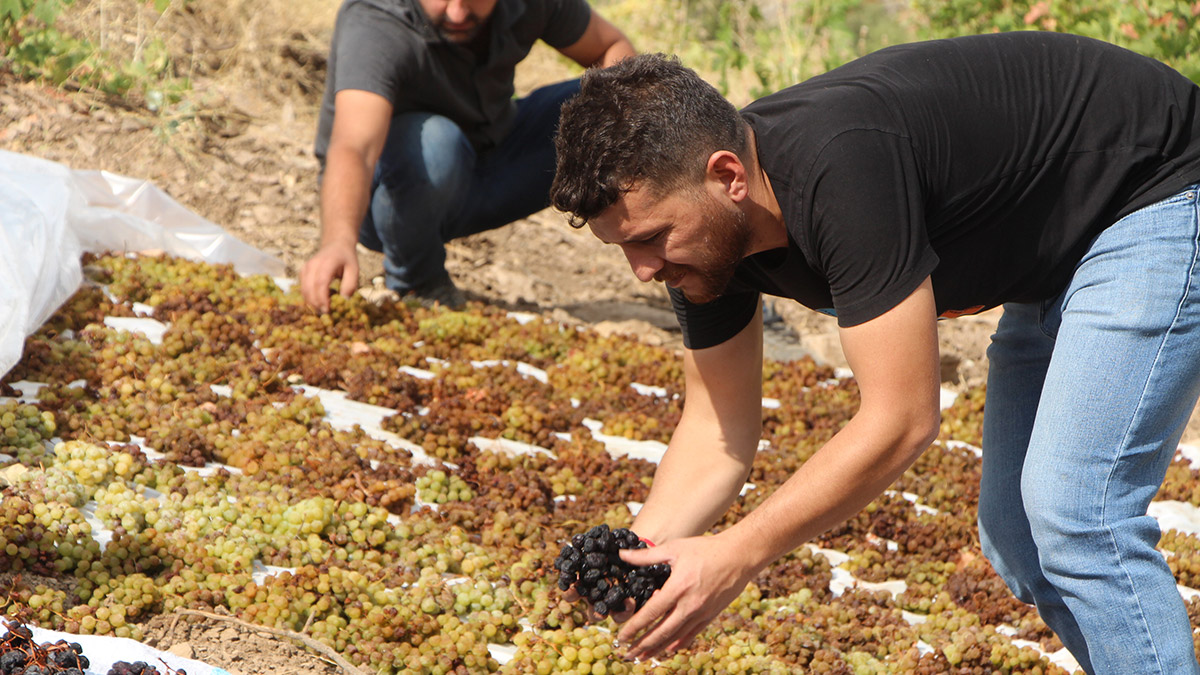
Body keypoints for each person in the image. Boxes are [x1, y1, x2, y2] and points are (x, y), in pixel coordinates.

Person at [550, 33, 1200, 674]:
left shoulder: (841, 169)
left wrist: (735, 554)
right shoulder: (708, 241)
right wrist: (638, 555)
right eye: (625, 249)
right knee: (1020, 540)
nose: (641, 270)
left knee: (1075, 514)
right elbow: (717, 430)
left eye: (651, 238)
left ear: (727, 175)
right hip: (1045, 252)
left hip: (1152, 188)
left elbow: (903, 418)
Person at [300, 0, 634, 311]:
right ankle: (419, 284)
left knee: (614, 104)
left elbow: (611, 50)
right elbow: (354, 147)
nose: (457, 13)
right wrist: (337, 241)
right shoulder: (377, 19)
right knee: (435, 142)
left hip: (490, 167)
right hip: (391, 201)